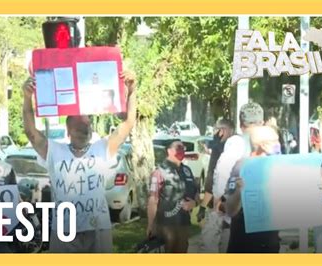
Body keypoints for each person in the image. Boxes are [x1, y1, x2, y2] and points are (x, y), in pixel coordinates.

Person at [22, 71, 137, 253]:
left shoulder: (102, 148)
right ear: (68, 131)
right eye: (80, 127)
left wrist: (131, 91)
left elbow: (129, 123)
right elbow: (30, 132)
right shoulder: (55, 151)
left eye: (88, 125)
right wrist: (27, 98)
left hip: (98, 229)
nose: (86, 129)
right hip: (64, 232)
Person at [209, 102, 265, 253]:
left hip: (248, 216)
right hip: (253, 216)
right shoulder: (242, 143)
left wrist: (219, 198)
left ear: (241, 125)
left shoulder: (241, 143)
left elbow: (221, 170)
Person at [224, 126, 282, 253]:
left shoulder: (279, 167)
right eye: (274, 141)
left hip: (269, 242)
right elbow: (230, 210)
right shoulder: (242, 167)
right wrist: (239, 191)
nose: (278, 144)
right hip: (244, 242)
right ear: (263, 145)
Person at [146, 139, 198, 253]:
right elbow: (153, 199)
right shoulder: (160, 172)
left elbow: (196, 193)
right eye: (178, 148)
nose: (182, 151)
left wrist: (194, 203)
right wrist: (151, 225)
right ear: (169, 151)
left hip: (183, 225)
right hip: (165, 225)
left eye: (183, 148)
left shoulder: (187, 170)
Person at [197, 119, 234, 253]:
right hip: (235, 207)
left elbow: (212, 181)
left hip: (218, 206)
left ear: (221, 131)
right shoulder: (239, 148)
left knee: (209, 244)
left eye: (215, 130)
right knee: (228, 244)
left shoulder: (219, 151)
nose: (213, 133)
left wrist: (202, 206)